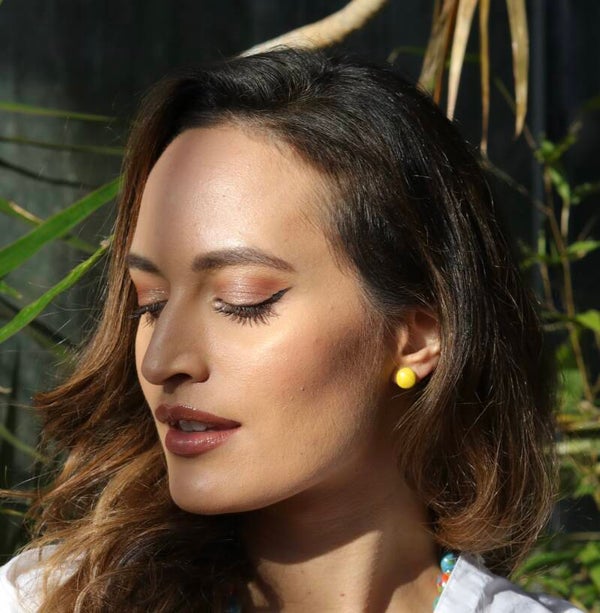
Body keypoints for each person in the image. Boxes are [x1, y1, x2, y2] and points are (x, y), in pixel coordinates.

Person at [0, 48, 583, 612]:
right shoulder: (46, 600)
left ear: (418, 335)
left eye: (241, 301)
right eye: (149, 304)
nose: (161, 361)